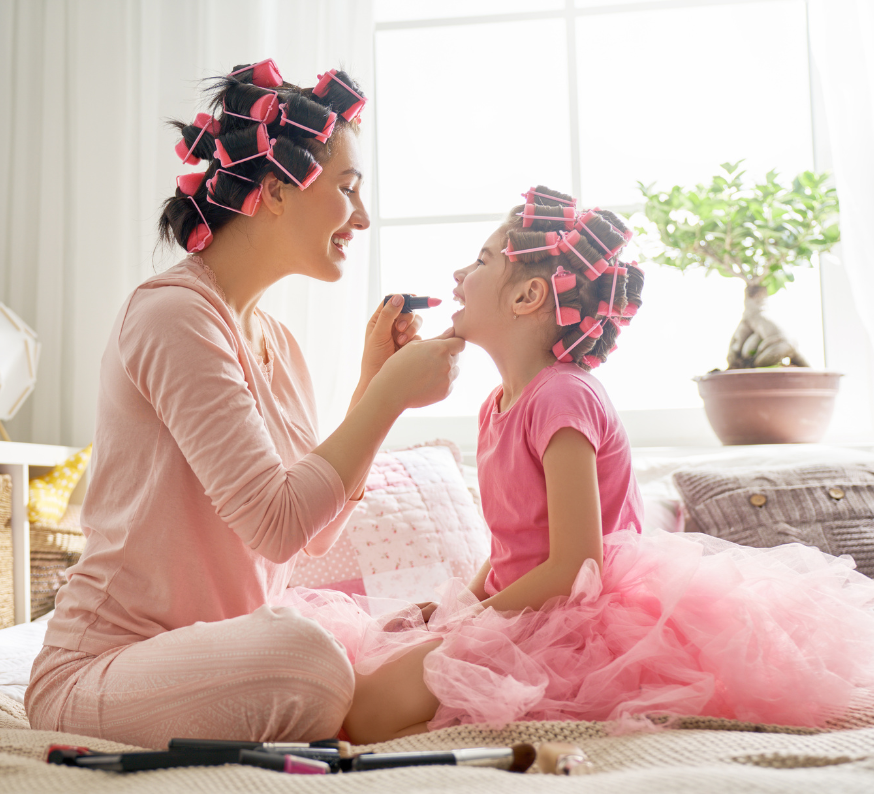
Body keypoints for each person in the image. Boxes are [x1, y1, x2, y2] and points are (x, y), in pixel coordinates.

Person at [288, 186, 874, 745]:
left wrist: (466, 627)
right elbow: (515, 547)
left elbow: (575, 564)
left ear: (527, 297)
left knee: (364, 711)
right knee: (347, 681)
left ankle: (473, 728)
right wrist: (451, 609)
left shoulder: (563, 397)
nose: (459, 276)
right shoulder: (498, 406)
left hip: (577, 617)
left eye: (482, 261)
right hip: (524, 608)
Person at [24, 59, 464, 749]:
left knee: (415, 649)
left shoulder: (277, 342)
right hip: (100, 670)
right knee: (309, 662)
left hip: (217, 655)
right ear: (276, 191)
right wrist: (386, 396)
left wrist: (370, 389)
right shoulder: (172, 316)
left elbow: (314, 533)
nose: (364, 217)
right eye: (347, 189)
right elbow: (276, 522)